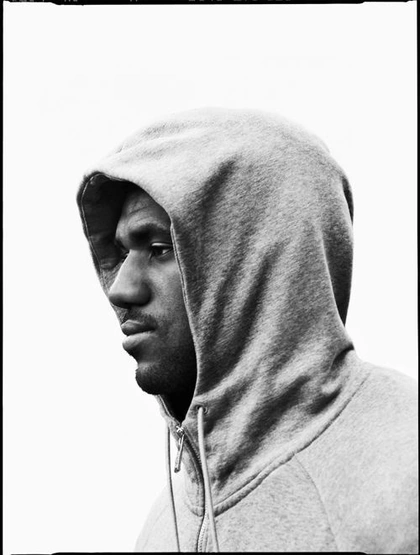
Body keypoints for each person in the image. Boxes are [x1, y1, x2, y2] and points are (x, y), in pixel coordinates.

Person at [76, 107, 418, 553]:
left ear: (253, 262)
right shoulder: (164, 525)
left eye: (159, 249)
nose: (120, 289)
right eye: (121, 253)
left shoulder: (402, 469)